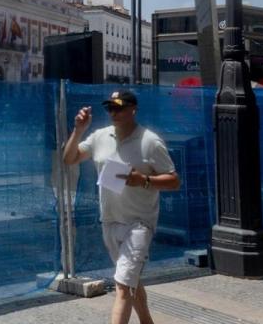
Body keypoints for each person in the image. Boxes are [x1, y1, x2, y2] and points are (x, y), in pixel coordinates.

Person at [62, 90, 180, 324]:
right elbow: (69, 158)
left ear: (133, 109)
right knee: (129, 279)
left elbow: (174, 180)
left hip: (140, 223)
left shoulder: (150, 141)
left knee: (123, 287)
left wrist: (144, 180)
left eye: (119, 107)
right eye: (110, 108)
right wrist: (78, 130)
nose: (113, 112)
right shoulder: (100, 136)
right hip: (110, 219)